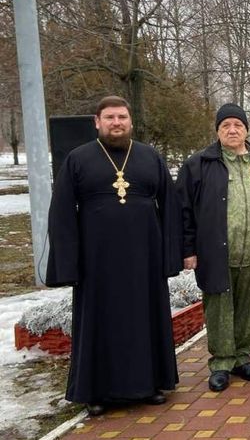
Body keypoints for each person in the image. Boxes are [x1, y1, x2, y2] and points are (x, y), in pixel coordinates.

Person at [46, 95, 182, 416]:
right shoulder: (78, 159)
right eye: (109, 118)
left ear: (131, 121)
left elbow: (170, 208)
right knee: (99, 323)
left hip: (144, 260)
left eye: (122, 117)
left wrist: (170, 255)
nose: (116, 123)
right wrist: (68, 263)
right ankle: (98, 392)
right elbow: (62, 213)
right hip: (97, 262)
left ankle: (150, 385)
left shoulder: (150, 157)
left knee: (144, 320)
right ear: (97, 122)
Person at [176, 104, 250, 392]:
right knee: (220, 309)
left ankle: (242, 357)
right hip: (217, 252)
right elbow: (184, 210)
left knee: (249, 308)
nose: (232, 130)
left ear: (247, 129)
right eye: (226, 126)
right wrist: (188, 249)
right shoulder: (199, 165)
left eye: (238, 124)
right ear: (217, 131)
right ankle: (221, 362)